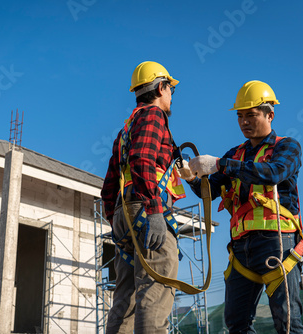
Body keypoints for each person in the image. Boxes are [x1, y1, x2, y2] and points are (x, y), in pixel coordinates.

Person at [180, 80, 303, 333]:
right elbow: (211, 191)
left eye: (251, 115)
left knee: (288, 322)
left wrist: (220, 164)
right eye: (240, 116)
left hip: (277, 243)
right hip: (241, 249)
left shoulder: (287, 146)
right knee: (236, 323)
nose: (244, 122)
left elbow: (274, 172)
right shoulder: (234, 154)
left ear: (270, 115)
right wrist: (192, 178)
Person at [101, 61, 186, 333]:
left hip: (124, 214)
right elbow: (141, 158)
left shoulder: (125, 129)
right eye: (170, 90)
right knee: (155, 291)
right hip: (147, 211)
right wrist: (154, 211)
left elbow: (110, 184)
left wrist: (116, 220)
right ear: (161, 87)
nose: (171, 96)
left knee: (125, 297)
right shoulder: (153, 116)